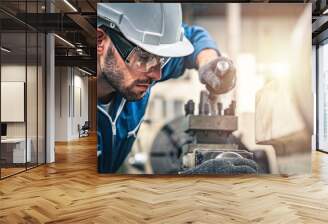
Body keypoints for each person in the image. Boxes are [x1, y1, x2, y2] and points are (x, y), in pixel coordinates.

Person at [97, 3, 256, 173]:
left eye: (163, 59)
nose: (157, 75)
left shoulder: (137, 73)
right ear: (100, 41)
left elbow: (193, 37)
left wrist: (209, 62)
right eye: (144, 57)